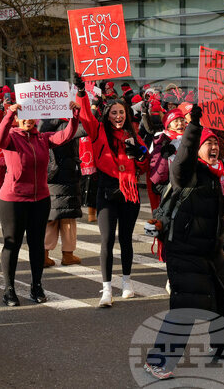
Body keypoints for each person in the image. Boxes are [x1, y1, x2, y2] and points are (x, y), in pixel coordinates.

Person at [143, 105, 224, 380]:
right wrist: (194, 127)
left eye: (216, 143)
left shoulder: (222, 171)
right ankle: (157, 361)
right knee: (186, 308)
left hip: (213, 251)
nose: (214, 147)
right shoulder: (186, 172)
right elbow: (183, 157)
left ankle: (219, 346)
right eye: (208, 143)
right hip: (184, 251)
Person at [0, 99, 80, 306]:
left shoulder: (42, 138)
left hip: (40, 199)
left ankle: (36, 285)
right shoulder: (11, 137)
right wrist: (8, 115)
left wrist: (74, 115)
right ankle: (9, 289)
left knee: (36, 245)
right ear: (16, 118)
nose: (28, 120)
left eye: (32, 116)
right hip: (12, 199)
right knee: (11, 244)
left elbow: (66, 135)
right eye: (23, 116)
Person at [77, 77, 149, 307]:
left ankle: (127, 282)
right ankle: (106, 288)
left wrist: (138, 153)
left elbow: (145, 163)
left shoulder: (134, 134)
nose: (118, 117)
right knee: (107, 240)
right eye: (114, 113)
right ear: (107, 115)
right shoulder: (99, 133)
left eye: (121, 113)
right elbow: (86, 116)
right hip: (107, 190)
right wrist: (80, 91)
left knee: (126, 239)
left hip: (130, 193)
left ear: (127, 114)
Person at [42, 115, 86, 268]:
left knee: (50, 217)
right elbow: (85, 129)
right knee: (67, 217)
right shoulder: (66, 125)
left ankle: (44, 254)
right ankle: (68, 254)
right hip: (67, 176)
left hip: (47, 175)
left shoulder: (39, 124)